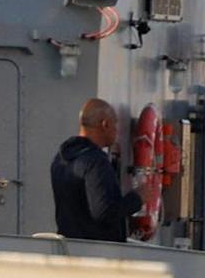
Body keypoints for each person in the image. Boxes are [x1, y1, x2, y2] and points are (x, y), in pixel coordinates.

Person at [51, 98, 146, 242]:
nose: (116, 129)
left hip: (70, 247)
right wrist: (138, 197)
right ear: (105, 124)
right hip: (97, 252)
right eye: (115, 123)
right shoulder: (95, 162)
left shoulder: (60, 159)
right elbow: (105, 212)